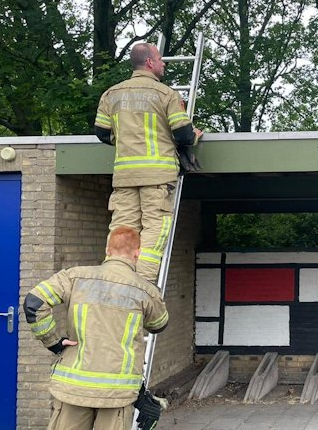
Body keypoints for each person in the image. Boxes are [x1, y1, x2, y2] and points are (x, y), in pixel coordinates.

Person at [23, 226, 169, 430]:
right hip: (117, 392)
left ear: (108, 250)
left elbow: (34, 303)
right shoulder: (144, 289)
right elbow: (159, 324)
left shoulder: (74, 277)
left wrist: (54, 342)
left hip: (74, 388)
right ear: (137, 254)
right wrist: (153, 295)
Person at [94, 42, 203, 283]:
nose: (164, 63)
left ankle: (115, 279)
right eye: (161, 59)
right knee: (156, 228)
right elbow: (183, 135)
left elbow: (102, 133)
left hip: (124, 177)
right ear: (151, 63)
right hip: (157, 176)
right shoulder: (166, 95)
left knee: (123, 228)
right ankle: (141, 283)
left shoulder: (111, 95)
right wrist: (194, 135)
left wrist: (125, 139)